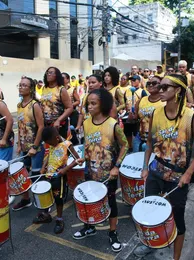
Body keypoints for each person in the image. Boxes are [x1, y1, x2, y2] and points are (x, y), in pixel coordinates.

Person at [134, 74, 194, 259]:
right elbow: (149, 143)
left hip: (177, 178)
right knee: (149, 211)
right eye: (160, 86)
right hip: (155, 171)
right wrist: (145, 167)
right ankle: (151, 243)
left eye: (165, 87)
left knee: (177, 218)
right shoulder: (156, 113)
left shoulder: (191, 117)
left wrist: (189, 173)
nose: (160, 90)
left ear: (178, 90)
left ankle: (176, 257)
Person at [72, 88, 128, 253]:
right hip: (90, 171)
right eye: (88, 103)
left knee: (110, 203)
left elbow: (125, 145)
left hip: (108, 174)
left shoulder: (113, 124)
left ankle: (113, 233)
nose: (89, 106)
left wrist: (117, 166)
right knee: (88, 200)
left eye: (93, 103)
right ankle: (89, 227)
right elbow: (88, 144)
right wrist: (83, 156)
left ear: (102, 105)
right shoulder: (86, 123)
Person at [33, 126, 82, 234]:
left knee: (58, 198)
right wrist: (43, 167)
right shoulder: (52, 143)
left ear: (56, 138)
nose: (50, 145)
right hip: (48, 174)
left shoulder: (67, 145)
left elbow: (78, 160)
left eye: (50, 143)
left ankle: (59, 219)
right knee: (46, 194)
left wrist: (65, 169)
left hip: (59, 177)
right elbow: (49, 156)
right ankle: (46, 215)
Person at [12, 77, 45, 211]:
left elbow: (41, 127)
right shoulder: (19, 105)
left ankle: (42, 207)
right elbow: (20, 127)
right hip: (25, 147)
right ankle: (26, 199)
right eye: (20, 85)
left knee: (36, 176)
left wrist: (35, 147)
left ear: (31, 89)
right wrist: (19, 144)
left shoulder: (35, 105)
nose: (21, 87)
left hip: (35, 147)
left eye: (24, 85)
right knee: (22, 175)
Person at [133, 76, 164, 152]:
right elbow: (135, 118)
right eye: (149, 83)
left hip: (158, 141)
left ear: (161, 86)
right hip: (140, 139)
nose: (150, 85)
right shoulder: (141, 101)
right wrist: (131, 117)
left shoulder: (165, 102)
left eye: (154, 83)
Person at [40, 67, 73, 139]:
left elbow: (70, 108)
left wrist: (58, 120)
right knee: (49, 149)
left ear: (57, 75)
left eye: (51, 72)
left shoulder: (61, 89)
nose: (48, 74)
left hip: (59, 126)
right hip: (47, 126)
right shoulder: (44, 88)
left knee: (60, 148)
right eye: (47, 72)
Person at [123, 75, 148, 152]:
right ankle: (129, 148)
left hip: (137, 116)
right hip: (128, 115)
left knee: (136, 133)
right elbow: (125, 102)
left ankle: (136, 149)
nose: (132, 81)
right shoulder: (127, 91)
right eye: (131, 80)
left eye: (134, 80)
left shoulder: (142, 91)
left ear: (139, 81)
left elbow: (145, 104)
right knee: (127, 133)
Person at [62, 72, 80, 144]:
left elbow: (78, 101)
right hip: (62, 115)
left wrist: (70, 106)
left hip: (72, 114)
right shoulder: (58, 90)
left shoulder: (72, 89)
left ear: (68, 80)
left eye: (63, 78)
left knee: (72, 132)